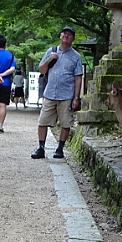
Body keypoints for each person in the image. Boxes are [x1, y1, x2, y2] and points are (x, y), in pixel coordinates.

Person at [31, 26, 83, 159]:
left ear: (73, 39)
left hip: (66, 95)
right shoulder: (51, 51)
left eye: (69, 34)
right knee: (42, 121)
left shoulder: (76, 57)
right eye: (64, 33)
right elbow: (42, 70)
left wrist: (76, 97)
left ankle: (60, 148)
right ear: (60, 36)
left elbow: (78, 77)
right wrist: (49, 59)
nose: (66, 36)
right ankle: (41, 148)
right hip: (50, 93)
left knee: (66, 123)